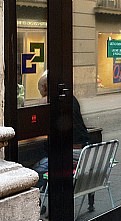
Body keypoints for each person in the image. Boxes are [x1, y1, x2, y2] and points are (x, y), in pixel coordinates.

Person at [33, 72, 95, 213]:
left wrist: (43, 100)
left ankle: (36, 205)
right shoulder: (70, 98)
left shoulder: (51, 101)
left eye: (40, 89)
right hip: (86, 151)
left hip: (74, 153)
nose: (40, 93)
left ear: (45, 87)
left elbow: (39, 125)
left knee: (37, 171)